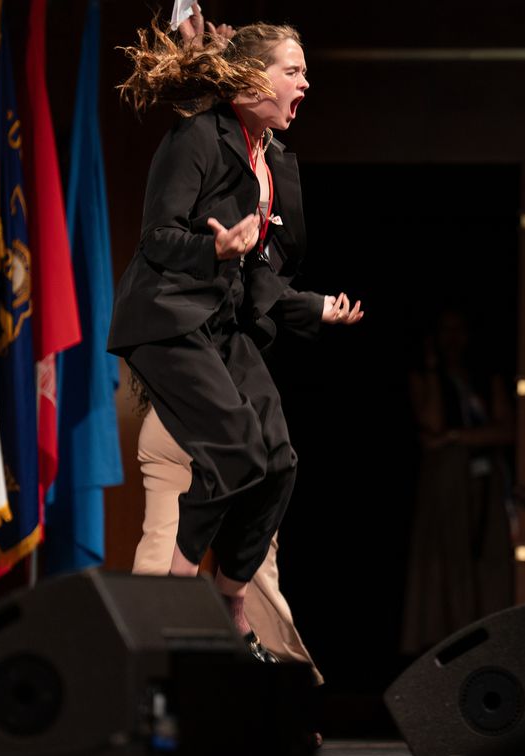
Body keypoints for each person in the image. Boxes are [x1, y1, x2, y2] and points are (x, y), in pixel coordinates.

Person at [109, 8, 362, 661]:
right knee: (239, 453)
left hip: (224, 322)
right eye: (294, 71)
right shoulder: (198, 136)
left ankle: (227, 601)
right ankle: (179, 593)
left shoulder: (271, 161)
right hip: (167, 315)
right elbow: (160, 239)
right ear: (252, 78)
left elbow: (264, 274)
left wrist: (313, 308)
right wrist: (215, 249)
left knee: (279, 461)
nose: (305, 84)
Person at [134, 404, 322, 683]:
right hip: (238, 427)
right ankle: (295, 713)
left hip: (171, 420)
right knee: (256, 592)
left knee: (158, 571)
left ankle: (135, 698)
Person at [401, 308, 516, 654]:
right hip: (446, 483)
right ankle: (447, 642)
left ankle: (490, 638)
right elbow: (431, 424)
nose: (452, 339)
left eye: (458, 330)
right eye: (445, 330)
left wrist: (455, 437)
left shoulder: (484, 377)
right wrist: (434, 366)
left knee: (489, 558)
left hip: (486, 481)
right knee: (446, 560)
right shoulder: (425, 377)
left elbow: (507, 430)